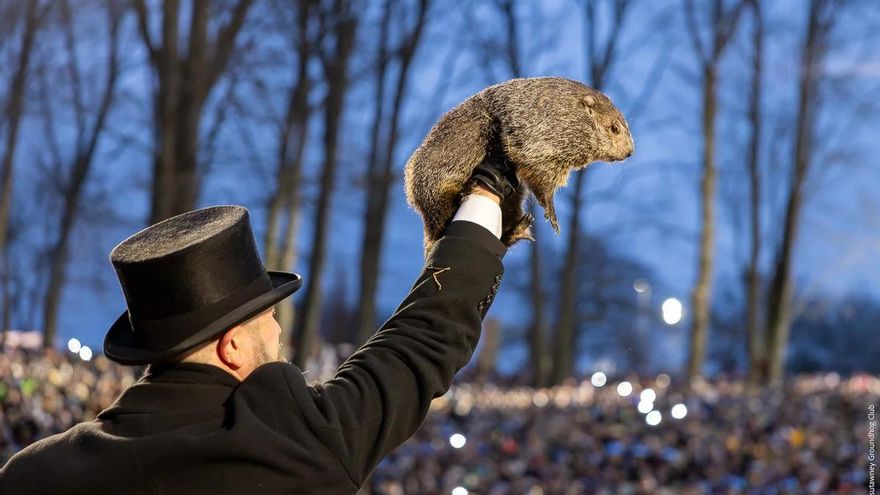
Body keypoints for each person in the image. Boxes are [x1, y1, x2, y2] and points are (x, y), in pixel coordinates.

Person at [0, 158, 518, 494]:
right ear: (231, 347)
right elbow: (421, 341)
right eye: (268, 317)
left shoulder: (31, 475)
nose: (279, 334)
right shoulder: (295, 442)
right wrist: (486, 197)